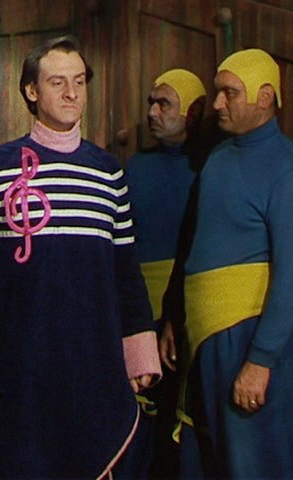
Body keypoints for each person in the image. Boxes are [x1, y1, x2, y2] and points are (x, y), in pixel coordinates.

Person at [0, 35, 162, 479]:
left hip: (94, 362)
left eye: (79, 82)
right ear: (31, 90)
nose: (71, 93)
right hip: (18, 365)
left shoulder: (108, 173)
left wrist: (139, 354)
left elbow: (126, 273)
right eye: (57, 82)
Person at [160, 48, 293, 479]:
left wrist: (261, 360)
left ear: (265, 97)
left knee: (252, 466)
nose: (217, 103)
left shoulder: (286, 167)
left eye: (229, 93)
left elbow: (290, 275)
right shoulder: (217, 159)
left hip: (249, 340)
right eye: (218, 92)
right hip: (201, 341)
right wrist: (175, 317)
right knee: (203, 463)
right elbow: (191, 247)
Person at [126, 68, 206, 479]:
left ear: (191, 112)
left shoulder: (207, 169)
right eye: (151, 103)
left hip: (187, 317)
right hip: (139, 313)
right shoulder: (135, 168)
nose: (153, 112)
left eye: (164, 104)